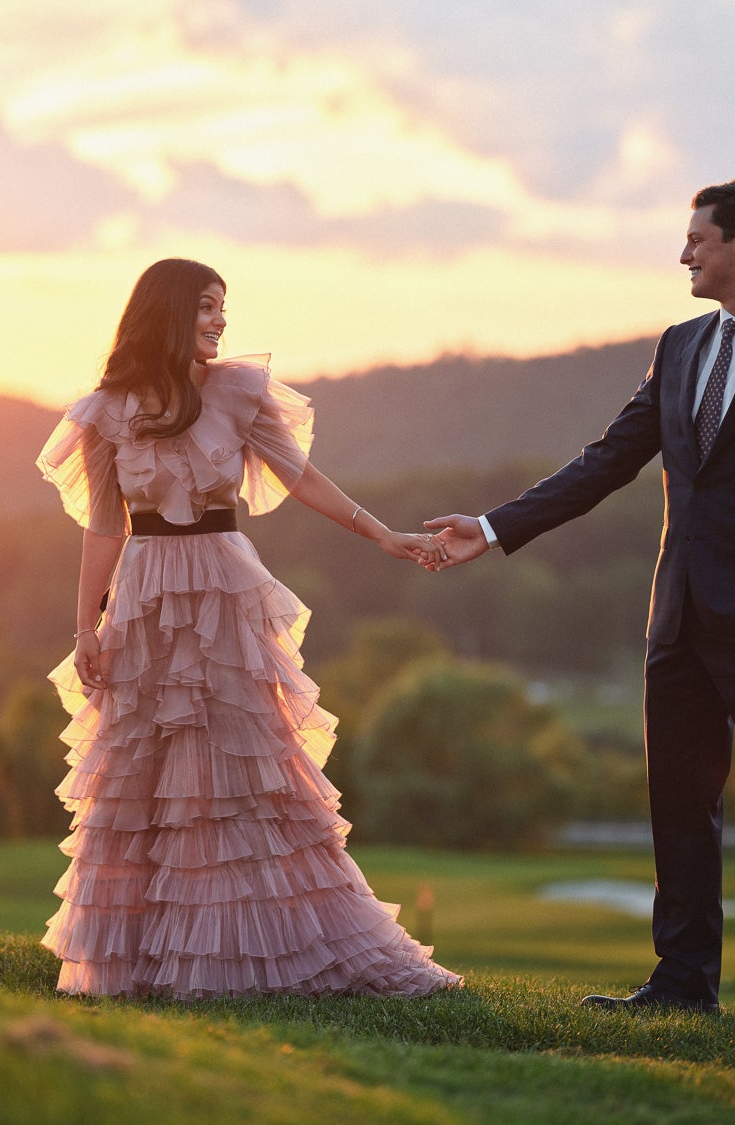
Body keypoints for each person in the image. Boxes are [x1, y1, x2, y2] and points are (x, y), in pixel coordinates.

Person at [426, 181, 735, 1032]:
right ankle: (683, 981)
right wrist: (493, 528)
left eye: (697, 240)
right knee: (679, 802)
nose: (684, 254)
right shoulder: (678, 346)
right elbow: (607, 460)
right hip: (676, 617)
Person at [36, 257, 461, 999]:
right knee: (142, 779)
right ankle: (142, 961)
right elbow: (104, 525)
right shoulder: (104, 410)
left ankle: (270, 953)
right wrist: (85, 626)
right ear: (167, 311)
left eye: (223, 307)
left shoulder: (238, 390)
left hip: (225, 589)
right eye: (206, 306)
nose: (220, 321)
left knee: (243, 772)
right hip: (144, 596)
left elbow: (300, 477)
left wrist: (384, 533)